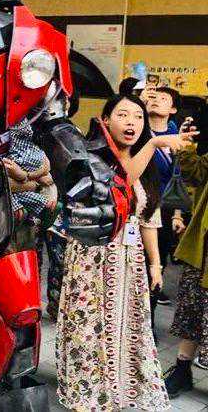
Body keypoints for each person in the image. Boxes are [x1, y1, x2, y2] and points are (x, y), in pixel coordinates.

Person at [56, 94, 195, 411]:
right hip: (91, 258)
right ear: (106, 120)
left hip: (128, 260)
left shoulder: (145, 163)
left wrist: (155, 264)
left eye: (138, 116)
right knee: (88, 327)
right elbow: (120, 181)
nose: (132, 122)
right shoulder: (92, 156)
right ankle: (87, 392)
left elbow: (148, 217)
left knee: (127, 325)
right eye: (123, 115)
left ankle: (119, 388)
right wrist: (155, 143)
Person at [164, 124, 208, 397]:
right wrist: (187, 147)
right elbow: (194, 174)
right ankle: (182, 371)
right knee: (191, 309)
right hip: (201, 249)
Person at [144, 85, 182, 307]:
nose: (156, 100)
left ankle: (150, 311)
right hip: (139, 205)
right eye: (153, 96)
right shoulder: (137, 130)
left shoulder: (175, 136)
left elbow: (178, 177)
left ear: (173, 109)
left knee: (157, 262)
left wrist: (177, 214)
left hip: (164, 207)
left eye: (163, 98)